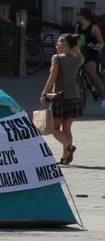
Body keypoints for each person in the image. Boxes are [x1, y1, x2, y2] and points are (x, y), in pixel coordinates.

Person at [40, 34, 83, 165]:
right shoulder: (77, 59)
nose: (56, 45)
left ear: (64, 44)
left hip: (60, 98)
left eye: (58, 43)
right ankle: (65, 157)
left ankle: (69, 147)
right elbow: (81, 57)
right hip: (75, 97)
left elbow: (52, 77)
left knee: (53, 128)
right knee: (67, 129)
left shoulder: (57, 58)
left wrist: (44, 93)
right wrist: (76, 50)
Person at [75, 8, 105, 100]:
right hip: (80, 53)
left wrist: (98, 46)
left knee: (91, 73)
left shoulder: (94, 27)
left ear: (83, 16)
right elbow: (74, 40)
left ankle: (103, 95)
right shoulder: (77, 27)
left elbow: (102, 43)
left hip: (91, 53)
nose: (77, 16)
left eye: (78, 14)